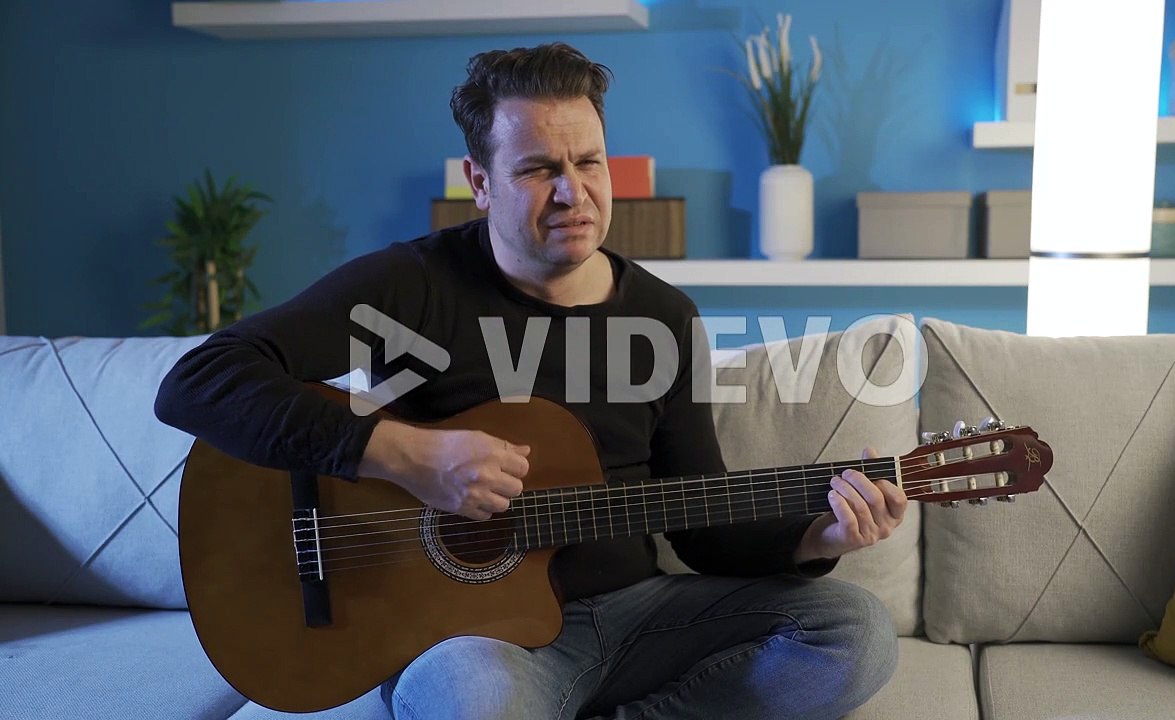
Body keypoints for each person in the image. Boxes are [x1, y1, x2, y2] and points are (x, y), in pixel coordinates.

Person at [154, 42, 905, 720]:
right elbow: (198, 381)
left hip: (638, 619)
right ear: (480, 182)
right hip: (470, 639)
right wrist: (405, 456)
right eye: (539, 169)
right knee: (476, 699)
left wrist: (819, 534)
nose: (573, 193)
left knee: (853, 631)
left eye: (589, 163)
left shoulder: (664, 317)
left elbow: (703, 527)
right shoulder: (410, 287)